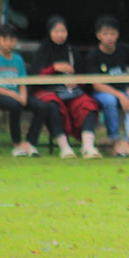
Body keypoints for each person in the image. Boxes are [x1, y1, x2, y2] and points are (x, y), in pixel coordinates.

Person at [0, 24, 59, 157]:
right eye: (5, 40)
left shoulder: (17, 59)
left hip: (16, 95)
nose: (9, 43)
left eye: (12, 40)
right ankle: (17, 144)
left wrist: (23, 95)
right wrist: (12, 94)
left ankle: (30, 143)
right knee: (15, 105)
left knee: (42, 107)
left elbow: (22, 82)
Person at [31, 16, 102, 159]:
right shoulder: (43, 51)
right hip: (48, 92)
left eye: (63, 31)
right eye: (56, 31)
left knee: (88, 105)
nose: (60, 35)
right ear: (50, 32)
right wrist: (54, 68)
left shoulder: (72, 51)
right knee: (53, 105)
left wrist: (77, 81)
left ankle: (88, 147)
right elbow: (35, 76)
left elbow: (83, 76)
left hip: (71, 92)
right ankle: (64, 148)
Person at [85, 15, 129, 158]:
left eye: (113, 34)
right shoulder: (93, 56)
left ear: (117, 35)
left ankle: (127, 142)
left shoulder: (124, 49)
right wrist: (120, 95)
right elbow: (96, 84)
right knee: (109, 101)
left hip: (124, 91)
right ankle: (114, 140)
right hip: (103, 93)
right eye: (106, 34)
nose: (110, 37)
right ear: (98, 36)